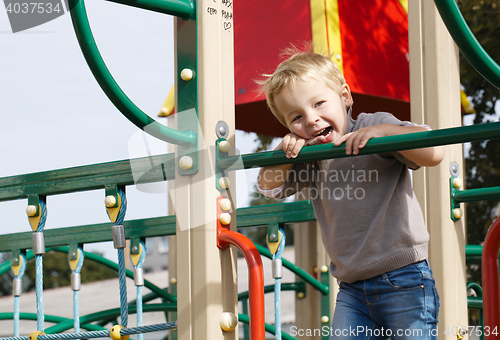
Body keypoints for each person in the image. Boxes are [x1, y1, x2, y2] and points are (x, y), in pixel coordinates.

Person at [257, 48, 444, 340]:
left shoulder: (372, 127)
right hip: (352, 288)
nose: (311, 120)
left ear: (344, 96)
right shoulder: (311, 155)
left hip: (404, 276)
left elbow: (433, 152)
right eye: (296, 117)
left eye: (319, 103)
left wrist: (385, 133)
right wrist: (284, 152)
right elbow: (268, 187)